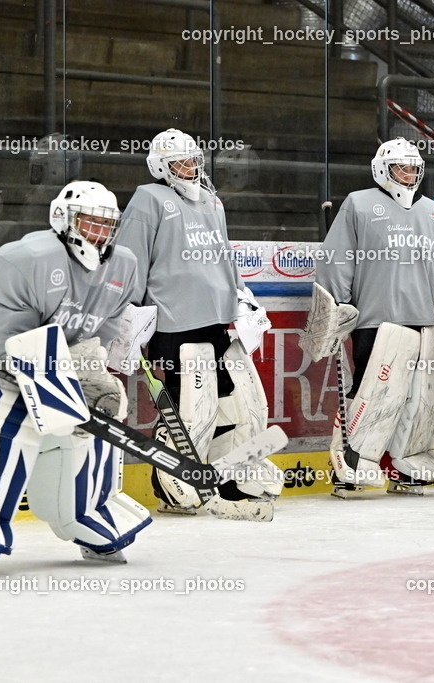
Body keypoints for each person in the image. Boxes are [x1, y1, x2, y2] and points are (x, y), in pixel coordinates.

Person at [0, 181, 151, 574]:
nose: (99, 233)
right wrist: (46, 375)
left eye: (107, 225)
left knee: (95, 426)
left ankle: (87, 514)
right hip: (11, 356)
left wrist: (89, 366)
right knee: (6, 429)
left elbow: (109, 321)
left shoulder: (125, 264)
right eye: (90, 223)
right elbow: (3, 339)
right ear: (63, 219)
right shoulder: (23, 258)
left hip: (70, 355)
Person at [116, 128, 278, 521]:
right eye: (180, 163)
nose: (189, 169)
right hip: (174, 323)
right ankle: (171, 483)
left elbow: (223, 257)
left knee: (236, 403)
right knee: (191, 406)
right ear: (161, 166)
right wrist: (127, 313)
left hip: (217, 321)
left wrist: (242, 298)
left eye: (193, 161)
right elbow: (130, 259)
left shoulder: (212, 202)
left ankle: (228, 476)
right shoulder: (149, 199)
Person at [306, 137, 434, 496]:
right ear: (382, 169)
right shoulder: (359, 204)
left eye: (413, 169)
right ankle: (349, 466)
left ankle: (403, 468)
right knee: (371, 394)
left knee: (412, 399)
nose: (407, 175)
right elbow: (338, 258)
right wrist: (337, 305)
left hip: (421, 321)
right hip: (374, 320)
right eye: (400, 168)